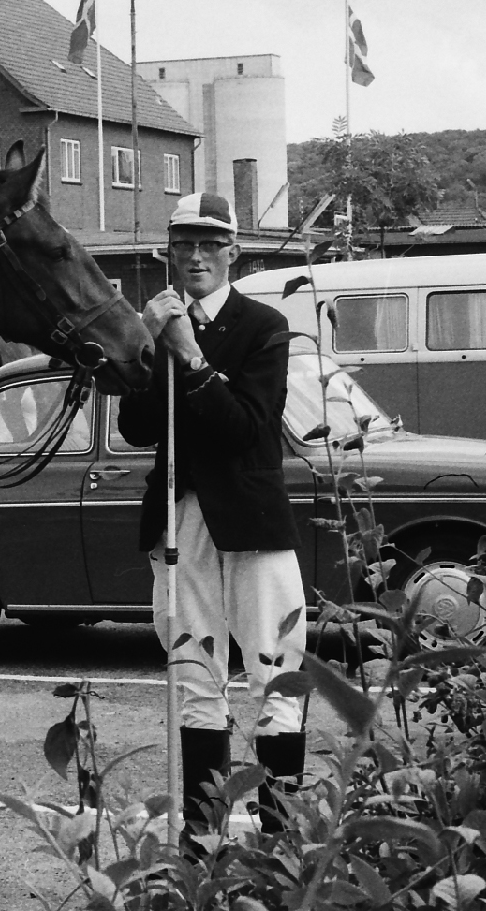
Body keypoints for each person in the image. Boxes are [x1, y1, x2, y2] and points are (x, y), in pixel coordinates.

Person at [116, 192, 306, 841]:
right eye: (184, 244)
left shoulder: (264, 325)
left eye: (209, 243)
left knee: (275, 675)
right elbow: (136, 425)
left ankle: (281, 837)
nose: (196, 255)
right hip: (180, 521)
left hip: (252, 523)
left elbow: (243, 428)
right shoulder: (160, 322)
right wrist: (148, 346)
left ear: (233, 251)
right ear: (168, 253)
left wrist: (190, 354)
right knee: (196, 678)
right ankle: (205, 836)